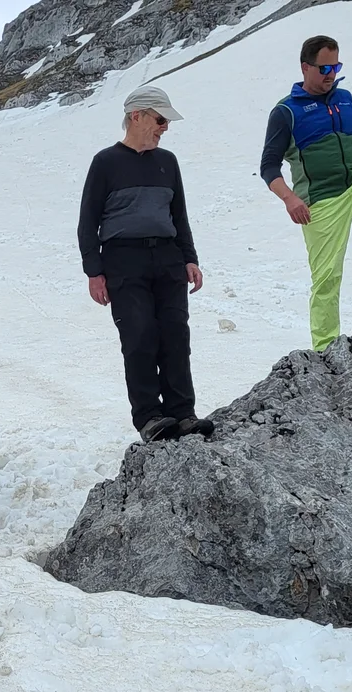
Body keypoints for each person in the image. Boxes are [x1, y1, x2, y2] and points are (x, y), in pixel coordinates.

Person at [78, 85, 212, 443]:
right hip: (123, 260)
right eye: (160, 119)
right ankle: (150, 417)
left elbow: (179, 214)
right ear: (136, 116)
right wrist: (94, 271)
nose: (164, 127)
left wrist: (189, 258)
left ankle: (183, 413)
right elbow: (88, 221)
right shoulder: (105, 162)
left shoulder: (168, 162)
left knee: (174, 334)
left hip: (167, 258)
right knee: (138, 336)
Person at [261, 34, 352, 351]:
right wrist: (290, 199)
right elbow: (268, 167)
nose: (331, 74)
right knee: (327, 278)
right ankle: (326, 349)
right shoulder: (285, 112)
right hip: (321, 201)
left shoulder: (345, 99)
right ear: (305, 67)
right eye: (324, 68)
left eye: (336, 66)